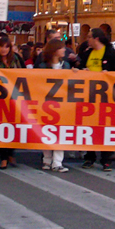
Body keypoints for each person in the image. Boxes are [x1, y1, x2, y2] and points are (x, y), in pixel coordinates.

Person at [81, 28, 115, 171]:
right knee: (89, 126)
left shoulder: (111, 53)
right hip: (89, 96)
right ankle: (89, 157)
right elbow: (79, 67)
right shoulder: (87, 53)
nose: (87, 39)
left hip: (106, 96)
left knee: (105, 127)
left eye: (89, 37)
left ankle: (106, 158)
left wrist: (109, 73)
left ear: (96, 38)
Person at [36, 39, 72, 172]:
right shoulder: (42, 66)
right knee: (45, 131)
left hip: (62, 103)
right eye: (61, 48)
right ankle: (46, 159)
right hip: (45, 103)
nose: (64, 50)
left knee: (60, 131)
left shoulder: (66, 65)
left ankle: (57, 162)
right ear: (54, 50)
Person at [0, 36, 23, 169]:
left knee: (13, 125)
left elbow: (24, 74)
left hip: (14, 96)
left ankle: (11, 153)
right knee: (1, 127)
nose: (4, 49)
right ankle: (3, 157)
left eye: (6, 47)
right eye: (1, 46)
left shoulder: (15, 59)